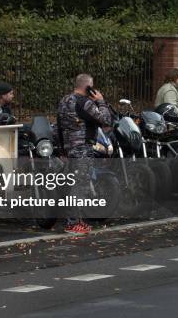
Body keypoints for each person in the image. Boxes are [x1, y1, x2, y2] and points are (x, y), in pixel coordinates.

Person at [57, 74, 113, 235]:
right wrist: (101, 101)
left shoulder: (64, 101)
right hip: (82, 148)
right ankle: (72, 223)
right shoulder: (85, 102)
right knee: (79, 185)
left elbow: (59, 127)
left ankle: (77, 219)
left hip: (69, 147)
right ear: (88, 87)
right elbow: (106, 119)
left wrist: (62, 150)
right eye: (92, 87)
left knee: (73, 184)